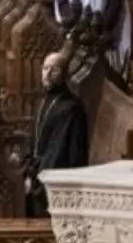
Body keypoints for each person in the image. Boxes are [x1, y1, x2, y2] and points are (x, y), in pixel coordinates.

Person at [25, 51, 91, 216]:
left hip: (55, 183)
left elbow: (61, 150)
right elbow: (33, 140)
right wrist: (26, 172)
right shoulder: (43, 101)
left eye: (53, 70)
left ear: (64, 74)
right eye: (45, 68)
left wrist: (39, 180)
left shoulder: (71, 107)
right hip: (37, 176)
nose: (47, 74)